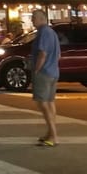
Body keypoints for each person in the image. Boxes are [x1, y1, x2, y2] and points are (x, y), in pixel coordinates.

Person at [30, 9, 61, 147]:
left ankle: (53, 136)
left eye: (34, 17)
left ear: (41, 19)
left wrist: (36, 69)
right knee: (49, 102)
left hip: (44, 72)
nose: (32, 20)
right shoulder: (52, 33)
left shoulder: (43, 32)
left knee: (42, 103)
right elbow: (58, 55)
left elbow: (42, 53)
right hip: (53, 72)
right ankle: (50, 133)